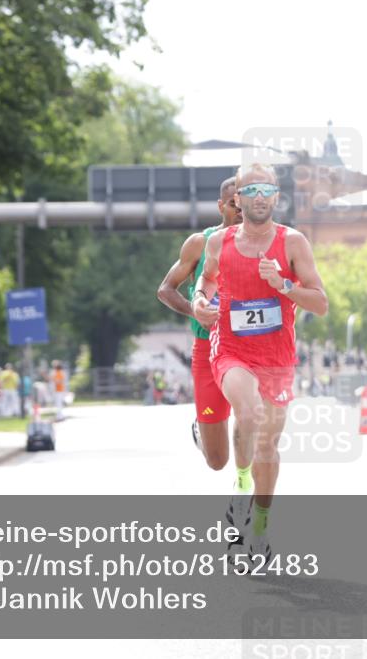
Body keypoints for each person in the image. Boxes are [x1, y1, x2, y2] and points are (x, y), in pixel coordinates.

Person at [193, 163, 328, 559]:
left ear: (276, 197)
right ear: (237, 198)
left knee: (268, 447)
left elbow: (320, 303)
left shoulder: (293, 243)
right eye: (249, 190)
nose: (257, 197)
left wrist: (283, 285)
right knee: (247, 410)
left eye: (264, 190)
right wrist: (201, 301)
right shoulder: (219, 242)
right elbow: (207, 279)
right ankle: (239, 490)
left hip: (278, 357)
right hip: (232, 349)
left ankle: (262, 529)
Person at [157, 176, 243, 472]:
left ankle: (250, 491)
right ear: (221, 206)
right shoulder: (200, 243)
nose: (241, 210)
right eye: (234, 204)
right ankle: (203, 430)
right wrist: (196, 311)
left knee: (256, 421)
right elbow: (165, 289)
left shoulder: (266, 244)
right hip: (207, 348)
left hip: (249, 349)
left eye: (247, 203)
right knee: (217, 461)